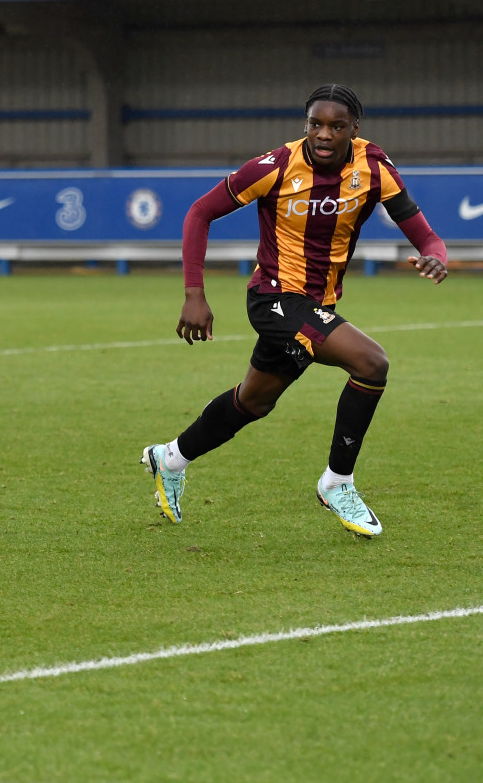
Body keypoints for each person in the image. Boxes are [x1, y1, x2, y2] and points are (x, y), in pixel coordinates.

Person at [140, 84, 448, 538]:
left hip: (316, 305)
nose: (324, 134)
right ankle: (336, 483)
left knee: (254, 401)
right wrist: (193, 294)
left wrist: (435, 255)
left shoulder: (374, 167)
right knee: (371, 362)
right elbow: (200, 212)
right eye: (315, 124)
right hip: (274, 298)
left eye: (336, 126)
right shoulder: (276, 166)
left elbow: (425, 235)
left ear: (354, 129)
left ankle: (169, 458)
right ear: (305, 125)